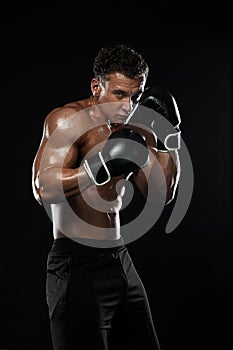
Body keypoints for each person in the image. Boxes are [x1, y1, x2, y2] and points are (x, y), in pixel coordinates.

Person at [32, 43, 181, 350]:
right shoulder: (68, 120)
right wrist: (94, 169)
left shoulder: (135, 128)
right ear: (96, 86)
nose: (129, 105)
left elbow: (161, 194)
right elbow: (42, 187)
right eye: (119, 94)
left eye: (136, 96)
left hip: (119, 258)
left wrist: (168, 140)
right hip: (77, 263)